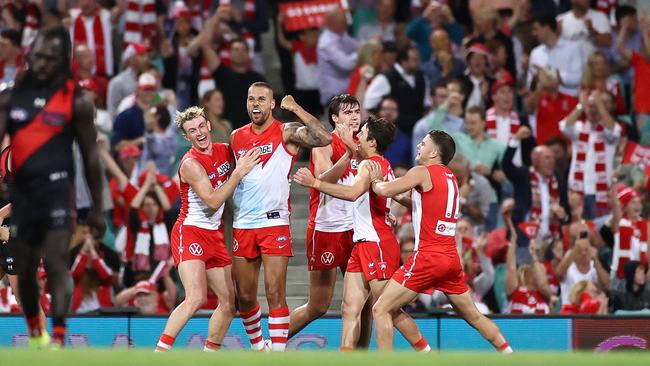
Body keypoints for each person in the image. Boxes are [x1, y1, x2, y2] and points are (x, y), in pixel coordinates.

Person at [0, 26, 105, 348]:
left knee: (49, 269)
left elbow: (90, 157)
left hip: (52, 197)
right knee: (24, 286)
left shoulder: (78, 103)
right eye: (40, 56)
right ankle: (37, 332)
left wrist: (99, 209)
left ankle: (55, 340)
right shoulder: (10, 99)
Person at [293, 117, 431, 352]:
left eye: (363, 133)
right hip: (361, 244)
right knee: (349, 309)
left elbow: (353, 193)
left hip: (376, 243)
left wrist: (315, 183)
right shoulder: (382, 164)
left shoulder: (370, 165)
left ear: (373, 141)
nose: (358, 135)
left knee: (387, 309)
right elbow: (386, 198)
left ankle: (425, 351)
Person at [366, 130, 512, 352]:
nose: (418, 146)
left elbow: (384, 189)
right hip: (450, 258)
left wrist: (375, 180)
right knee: (473, 315)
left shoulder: (422, 172)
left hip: (427, 256)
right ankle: (508, 353)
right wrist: (400, 197)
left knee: (381, 309)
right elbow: (427, 208)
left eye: (423, 144)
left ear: (434, 152)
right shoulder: (450, 178)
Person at [230, 83, 331, 351]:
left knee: (275, 293)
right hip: (243, 224)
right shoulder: (236, 137)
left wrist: (295, 108)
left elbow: (324, 138)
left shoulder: (286, 131)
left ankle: (277, 354)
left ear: (272, 104)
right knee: (244, 297)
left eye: (262, 99)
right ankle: (258, 349)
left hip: (274, 222)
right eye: (251, 98)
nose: (255, 104)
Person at [155, 106, 260, 352]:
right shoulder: (190, 163)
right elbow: (213, 201)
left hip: (214, 235)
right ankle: (159, 353)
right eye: (192, 130)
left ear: (209, 126)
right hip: (190, 230)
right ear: (186, 137)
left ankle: (209, 354)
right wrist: (237, 173)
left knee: (228, 302)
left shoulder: (225, 151)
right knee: (195, 298)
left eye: (202, 126)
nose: (199, 133)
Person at [288, 94, 371, 347]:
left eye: (356, 111)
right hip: (327, 230)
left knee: (366, 301)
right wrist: (348, 153)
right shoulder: (324, 143)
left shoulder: (365, 142)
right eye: (347, 113)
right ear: (335, 118)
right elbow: (323, 179)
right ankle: (268, 344)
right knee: (318, 305)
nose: (354, 116)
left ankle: (361, 358)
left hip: (356, 231)